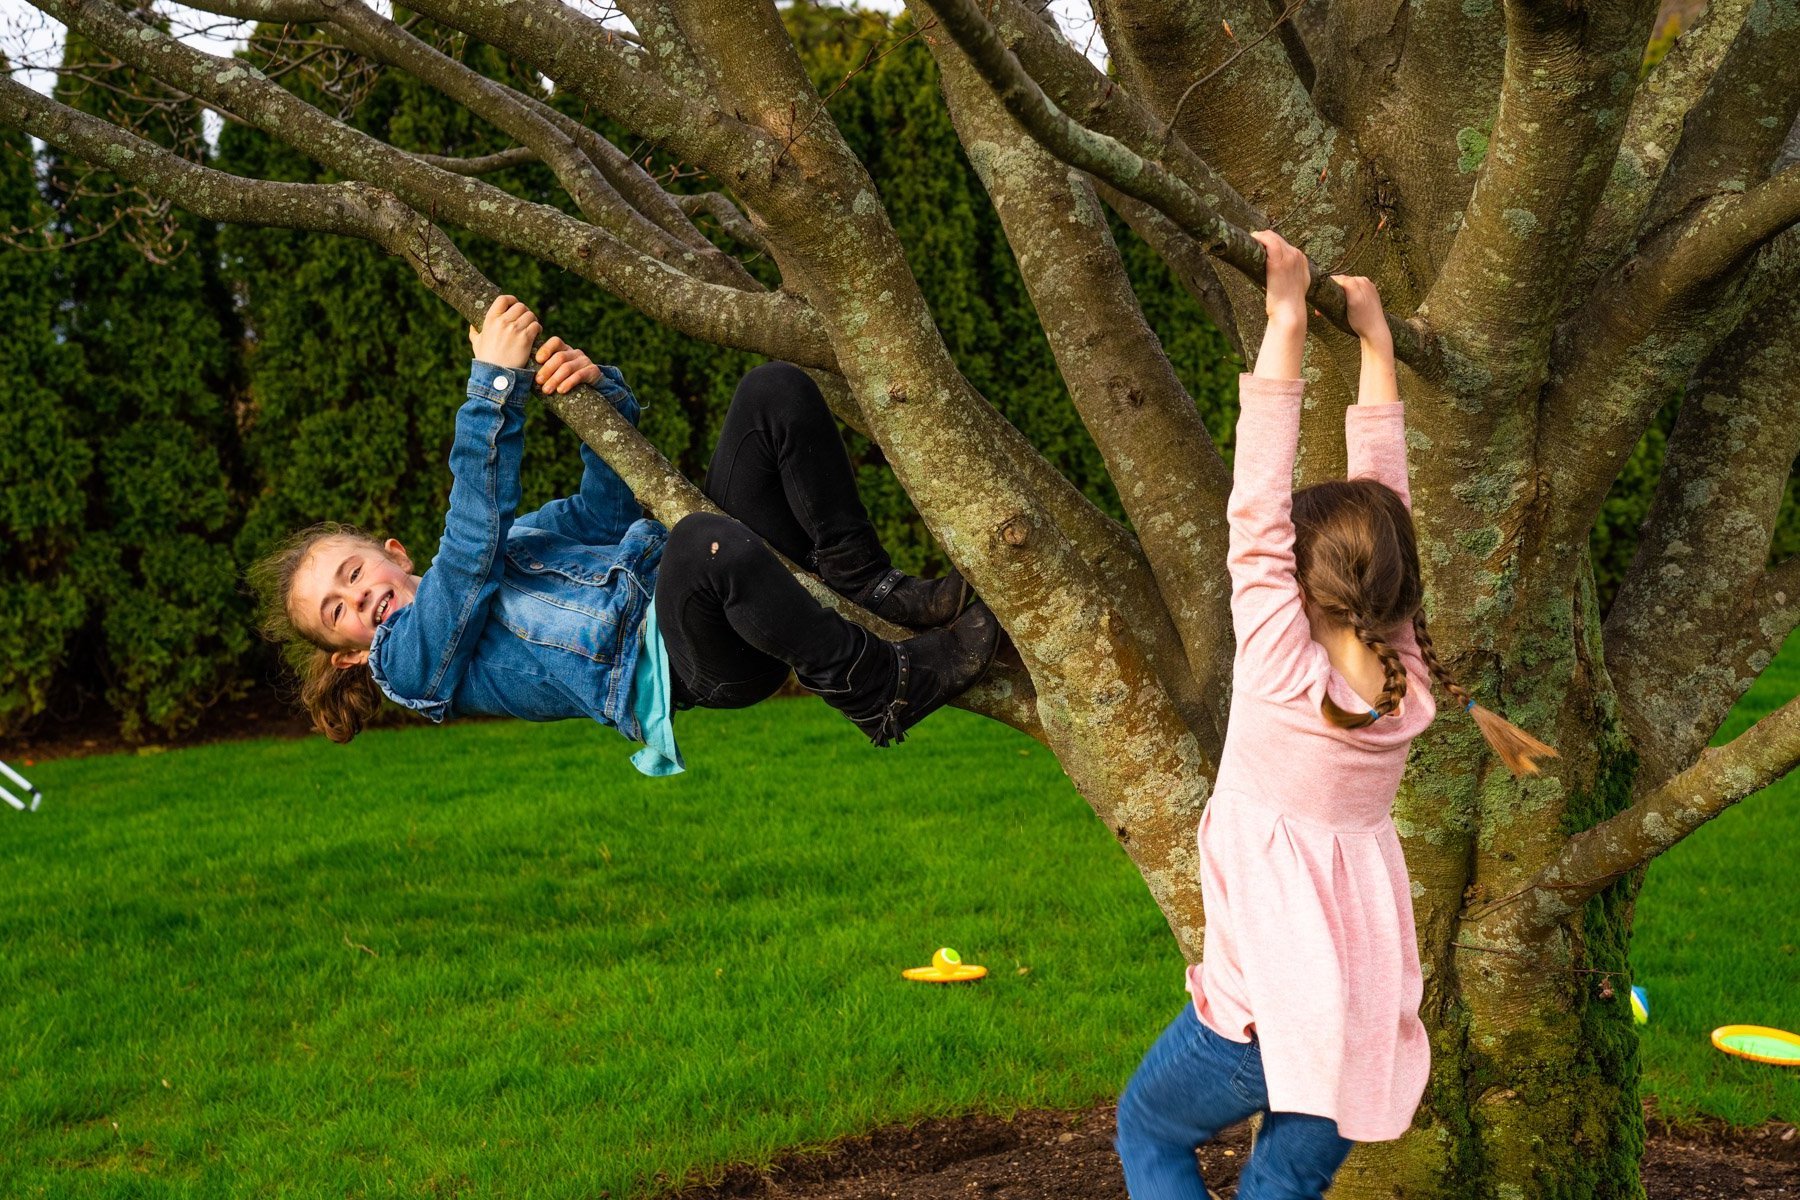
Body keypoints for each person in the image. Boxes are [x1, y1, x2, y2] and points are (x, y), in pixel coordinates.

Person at [1112, 232, 1556, 1200]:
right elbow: (1382, 508)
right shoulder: (1409, 682)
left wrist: (1283, 322)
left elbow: (1256, 507)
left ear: (1299, 591)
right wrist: (1374, 345)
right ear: (1397, 584)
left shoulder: (1280, 674)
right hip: (1353, 1040)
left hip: (1261, 1027)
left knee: (1146, 1129)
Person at [248, 295, 1000, 772]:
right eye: (337, 614)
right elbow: (468, 554)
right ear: (349, 655)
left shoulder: (525, 545)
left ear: (390, 553)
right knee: (705, 542)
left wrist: (596, 391)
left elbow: (608, 510)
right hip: (697, 665)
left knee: (774, 390)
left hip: (717, 585)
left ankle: (864, 579)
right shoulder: (410, 667)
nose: (357, 601)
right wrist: (492, 389)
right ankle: (877, 687)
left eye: (351, 575)